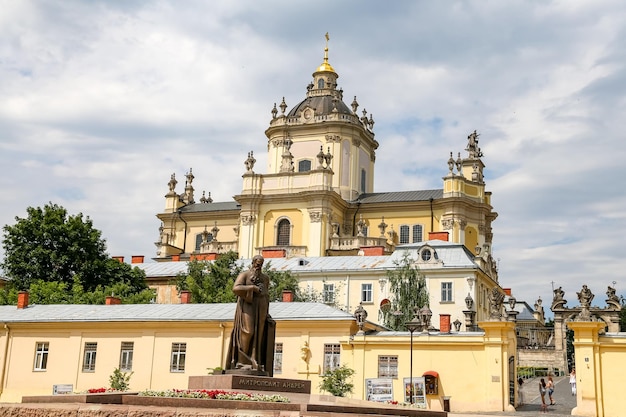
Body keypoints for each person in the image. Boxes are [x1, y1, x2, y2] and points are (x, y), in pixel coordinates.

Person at [225, 255, 275, 374]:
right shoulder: (244, 275)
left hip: (261, 306)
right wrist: (252, 288)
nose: (259, 266)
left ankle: (254, 361)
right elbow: (236, 288)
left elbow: (267, 295)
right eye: (257, 263)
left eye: (261, 264)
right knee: (248, 331)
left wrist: (267, 312)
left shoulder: (265, 278)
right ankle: (241, 361)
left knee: (259, 334)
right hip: (247, 306)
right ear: (253, 263)